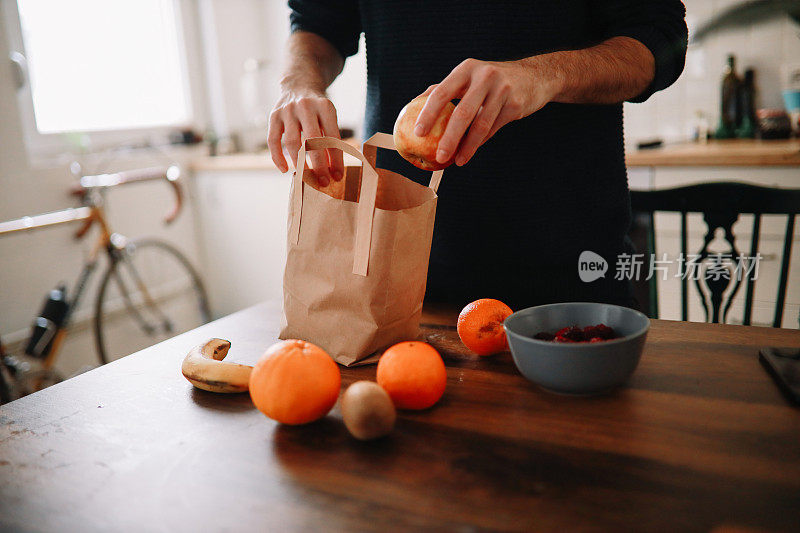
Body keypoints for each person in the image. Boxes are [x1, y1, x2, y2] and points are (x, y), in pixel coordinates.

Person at [269, 1, 688, 310]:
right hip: (396, 267)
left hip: (568, 271)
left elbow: (659, 38)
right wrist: (297, 84)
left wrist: (545, 75)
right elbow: (316, 25)